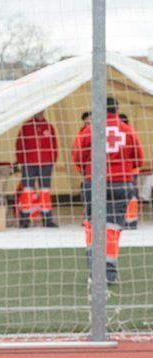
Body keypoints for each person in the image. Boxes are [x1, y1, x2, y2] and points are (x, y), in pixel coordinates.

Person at [71, 96, 145, 285]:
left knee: (93, 227)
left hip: (94, 183)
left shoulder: (89, 130)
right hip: (121, 184)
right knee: (112, 229)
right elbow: (139, 159)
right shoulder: (127, 130)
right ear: (117, 110)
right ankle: (109, 274)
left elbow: (78, 156)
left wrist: (87, 170)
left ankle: (94, 274)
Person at [15, 110, 59, 228]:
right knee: (27, 191)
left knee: (45, 191)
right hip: (29, 163)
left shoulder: (49, 126)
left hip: (46, 163)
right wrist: (22, 160)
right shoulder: (26, 127)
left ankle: (47, 219)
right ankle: (24, 220)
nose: (40, 113)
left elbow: (54, 144)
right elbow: (19, 144)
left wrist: (52, 159)